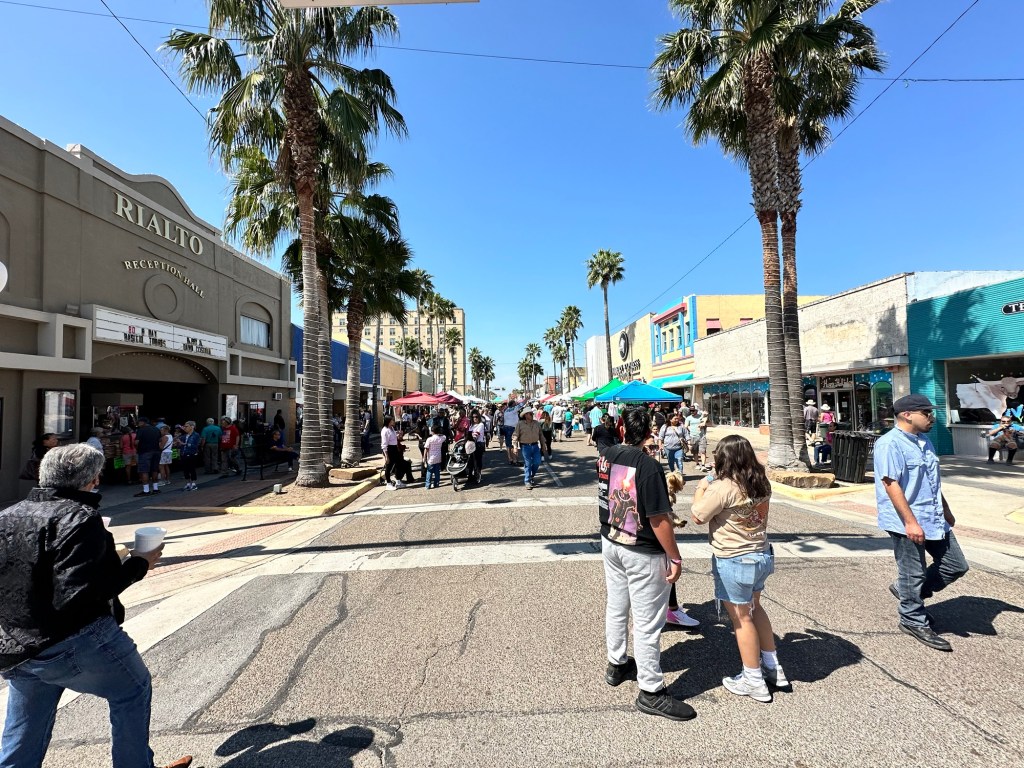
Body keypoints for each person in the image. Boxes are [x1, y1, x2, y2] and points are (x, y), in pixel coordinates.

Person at [0, 443, 192, 768]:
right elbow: (84, 591)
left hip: (15, 645)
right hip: (72, 640)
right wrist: (139, 563)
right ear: (91, 479)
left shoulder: (7, 515)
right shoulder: (81, 517)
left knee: (25, 726)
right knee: (132, 691)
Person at [599, 408, 696, 722]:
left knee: (617, 606)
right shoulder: (648, 466)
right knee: (647, 621)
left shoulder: (606, 456)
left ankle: (616, 663)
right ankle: (651, 690)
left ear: (622, 430)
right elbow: (658, 518)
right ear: (649, 433)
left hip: (612, 539)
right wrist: (675, 556)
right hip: (641, 550)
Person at [691, 434, 786, 703]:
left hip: (734, 558)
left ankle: (753, 679)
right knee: (756, 609)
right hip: (761, 554)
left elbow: (698, 515)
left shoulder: (724, 487)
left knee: (741, 619)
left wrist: (701, 486)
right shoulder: (761, 481)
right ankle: (773, 667)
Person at [873, 394, 969, 652]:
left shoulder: (925, 441)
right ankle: (912, 619)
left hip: (933, 516)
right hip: (907, 520)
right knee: (913, 572)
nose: (931, 417)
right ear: (907, 415)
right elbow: (891, 485)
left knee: (956, 565)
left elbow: (932, 481)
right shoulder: (889, 444)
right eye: (926, 413)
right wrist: (911, 522)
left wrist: (945, 509)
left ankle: (906, 592)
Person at [512, 407, 543, 490]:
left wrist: (543, 445)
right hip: (525, 446)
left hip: (535, 445)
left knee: (537, 462)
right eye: (530, 413)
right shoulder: (520, 424)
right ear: (525, 415)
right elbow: (515, 435)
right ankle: (527, 481)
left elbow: (541, 435)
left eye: (532, 413)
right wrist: (515, 447)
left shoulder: (536, 423)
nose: (531, 415)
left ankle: (531, 475)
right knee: (528, 464)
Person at [381, 416, 414, 489]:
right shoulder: (385, 430)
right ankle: (388, 483)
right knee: (389, 467)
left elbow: (394, 439)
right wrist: (386, 456)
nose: (394, 421)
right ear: (388, 421)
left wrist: (398, 435)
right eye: (392, 420)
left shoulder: (392, 428)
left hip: (395, 448)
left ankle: (398, 481)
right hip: (389, 449)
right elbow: (384, 444)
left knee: (398, 465)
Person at [134, 417, 162, 497]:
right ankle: (155, 489)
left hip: (145, 452)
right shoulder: (156, 429)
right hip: (156, 451)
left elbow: (136, 442)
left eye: (139, 422)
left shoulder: (141, 430)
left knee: (144, 471)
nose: (138, 424)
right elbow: (160, 441)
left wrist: (137, 448)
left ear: (143, 422)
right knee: (155, 470)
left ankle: (146, 490)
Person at [178, 421, 202, 491]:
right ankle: (188, 483)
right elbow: (180, 445)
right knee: (185, 469)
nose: (185, 428)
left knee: (192, 469)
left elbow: (196, 445)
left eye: (186, 426)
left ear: (192, 427)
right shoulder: (184, 436)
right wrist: (179, 443)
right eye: (184, 426)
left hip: (192, 454)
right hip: (184, 453)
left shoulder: (196, 435)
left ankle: (193, 483)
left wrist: (184, 444)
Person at [684, 406, 709, 470]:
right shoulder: (688, 418)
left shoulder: (701, 416)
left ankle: (703, 465)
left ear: (696, 411)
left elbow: (707, 422)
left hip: (702, 436)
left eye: (693, 410)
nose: (691, 412)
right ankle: (697, 464)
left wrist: (706, 417)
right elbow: (686, 426)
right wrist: (690, 430)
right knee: (695, 452)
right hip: (692, 436)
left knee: (703, 451)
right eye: (690, 411)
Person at [423, 423, 446, 489]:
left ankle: (428, 485)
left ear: (432, 431)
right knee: (437, 472)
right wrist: (439, 434)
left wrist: (424, 458)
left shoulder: (429, 439)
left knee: (429, 472)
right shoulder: (441, 438)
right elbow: (444, 436)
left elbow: (426, 449)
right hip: (438, 457)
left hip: (431, 458)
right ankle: (436, 484)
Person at [502, 399, 522, 466]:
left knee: (508, 445)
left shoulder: (506, 410)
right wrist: (526, 399)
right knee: (514, 444)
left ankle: (510, 459)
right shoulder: (514, 409)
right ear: (513, 404)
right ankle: (515, 460)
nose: (516, 404)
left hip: (506, 427)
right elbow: (522, 404)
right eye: (515, 403)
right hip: (512, 428)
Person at [469, 411, 487, 483]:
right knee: (470, 460)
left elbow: (477, 433)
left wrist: (473, 436)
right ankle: (470, 475)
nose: (475, 418)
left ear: (479, 417)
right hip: (471, 444)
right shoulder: (471, 426)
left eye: (476, 417)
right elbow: (469, 434)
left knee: (477, 460)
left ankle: (478, 474)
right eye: (473, 417)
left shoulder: (481, 424)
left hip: (479, 444)